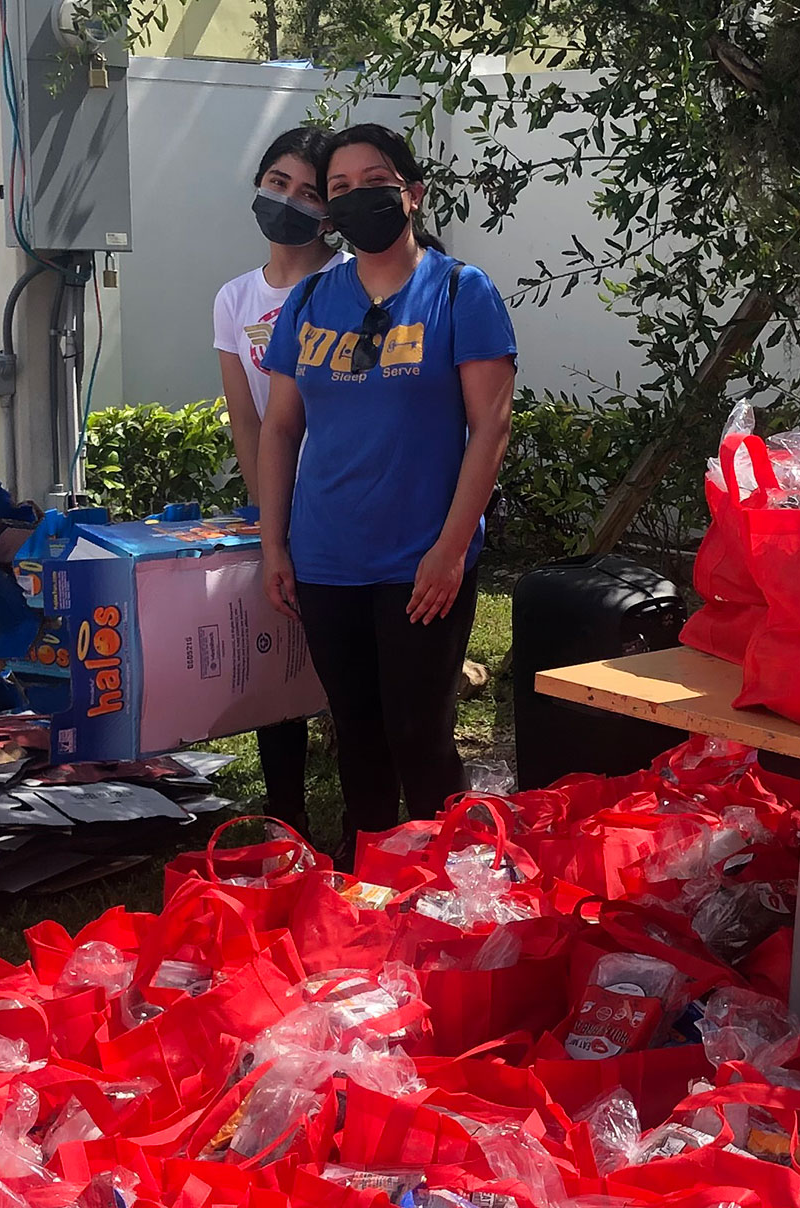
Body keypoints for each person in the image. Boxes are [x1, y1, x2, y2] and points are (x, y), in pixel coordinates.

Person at [253, 123, 516, 868]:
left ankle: (452, 879)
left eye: (374, 180)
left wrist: (452, 549)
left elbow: (489, 429)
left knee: (418, 734)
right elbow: (279, 429)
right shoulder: (308, 302)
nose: (356, 196)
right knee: (356, 730)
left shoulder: (462, 291)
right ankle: (364, 876)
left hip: (419, 562)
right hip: (327, 557)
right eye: (339, 189)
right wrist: (275, 543)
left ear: (412, 191)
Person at [215, 125, 344, 842]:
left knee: (354, 669)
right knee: (282, 662)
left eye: (308, 192)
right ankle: (286, 814)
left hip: (345, 496)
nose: (288, 202)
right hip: (281, 502)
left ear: (330, 210)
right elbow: (247, 419)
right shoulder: (234, 299)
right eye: (277, 184)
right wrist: (272, 524)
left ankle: (370, 817)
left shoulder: (349, 281)